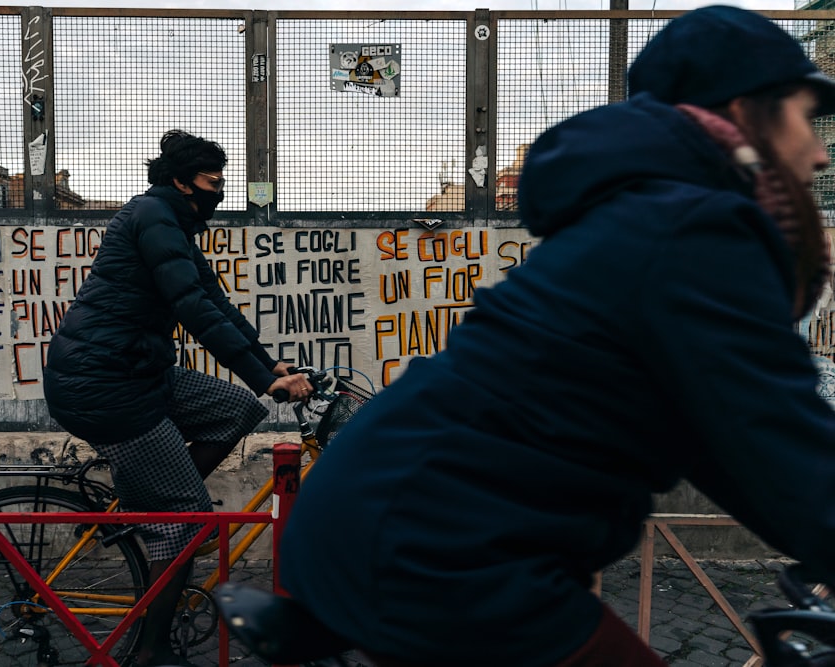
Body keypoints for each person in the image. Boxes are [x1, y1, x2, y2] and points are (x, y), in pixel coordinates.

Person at [279, 7, 835, 666]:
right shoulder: (694, 229)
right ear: (746, 113)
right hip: (437, 550)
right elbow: (773, 431)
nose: (820, 149)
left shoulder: (647, 218)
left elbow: (734, 447)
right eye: (806, 117)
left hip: (392, 519)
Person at [43, 130, 310, 667]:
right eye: (214, 182)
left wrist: (268, 367)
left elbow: (214, 300)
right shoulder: (154, 217)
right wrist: (265, 377)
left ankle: (154, 506)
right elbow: (193, 308)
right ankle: (152, 649)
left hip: (140, 371)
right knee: (187, 522)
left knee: (237, 409)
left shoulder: (175, 224)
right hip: (105, 386)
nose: (221, 191)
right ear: (181, 180)